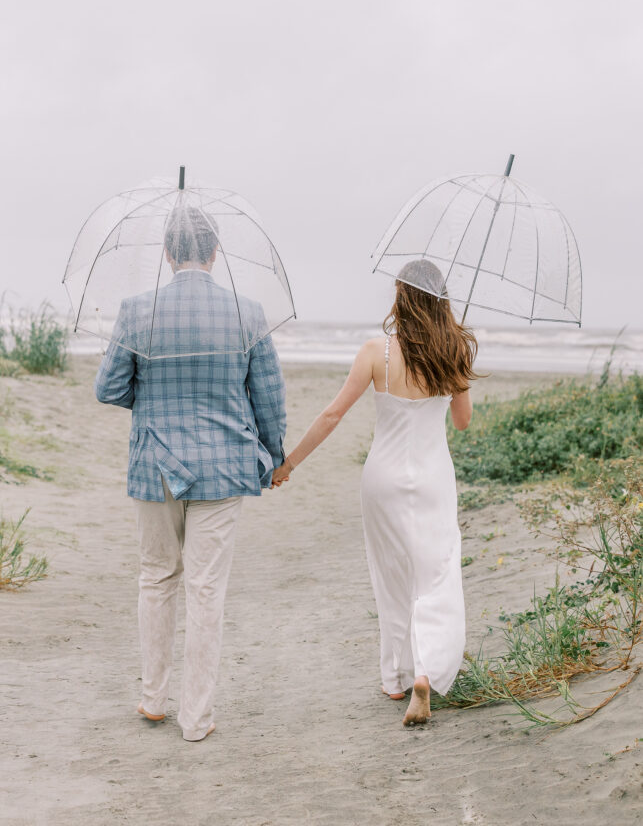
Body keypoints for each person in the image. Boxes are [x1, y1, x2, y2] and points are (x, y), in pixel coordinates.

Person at [95, 203, 286, 741]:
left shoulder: (138, 310)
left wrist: (153, 403)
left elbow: (107, 388)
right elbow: (268, 398)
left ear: (167, 251)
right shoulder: (249, 313)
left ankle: (153, 698)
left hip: (154, 463)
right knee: (206, 589)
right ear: (214, 251)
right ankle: (196, 717)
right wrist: (274, 457)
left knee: (157, 577)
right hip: (224, 468)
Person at [272, 259, 476, 726]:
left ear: (402, 297)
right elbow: (462, 422)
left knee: (391, 575)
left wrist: (289, 464)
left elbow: (331, 416)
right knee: (436, 572)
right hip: (432, 478)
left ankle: (395, 678)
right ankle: (425, 672)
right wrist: (456, 373)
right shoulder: (456, 353)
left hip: (382, 479)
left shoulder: (375, 352)